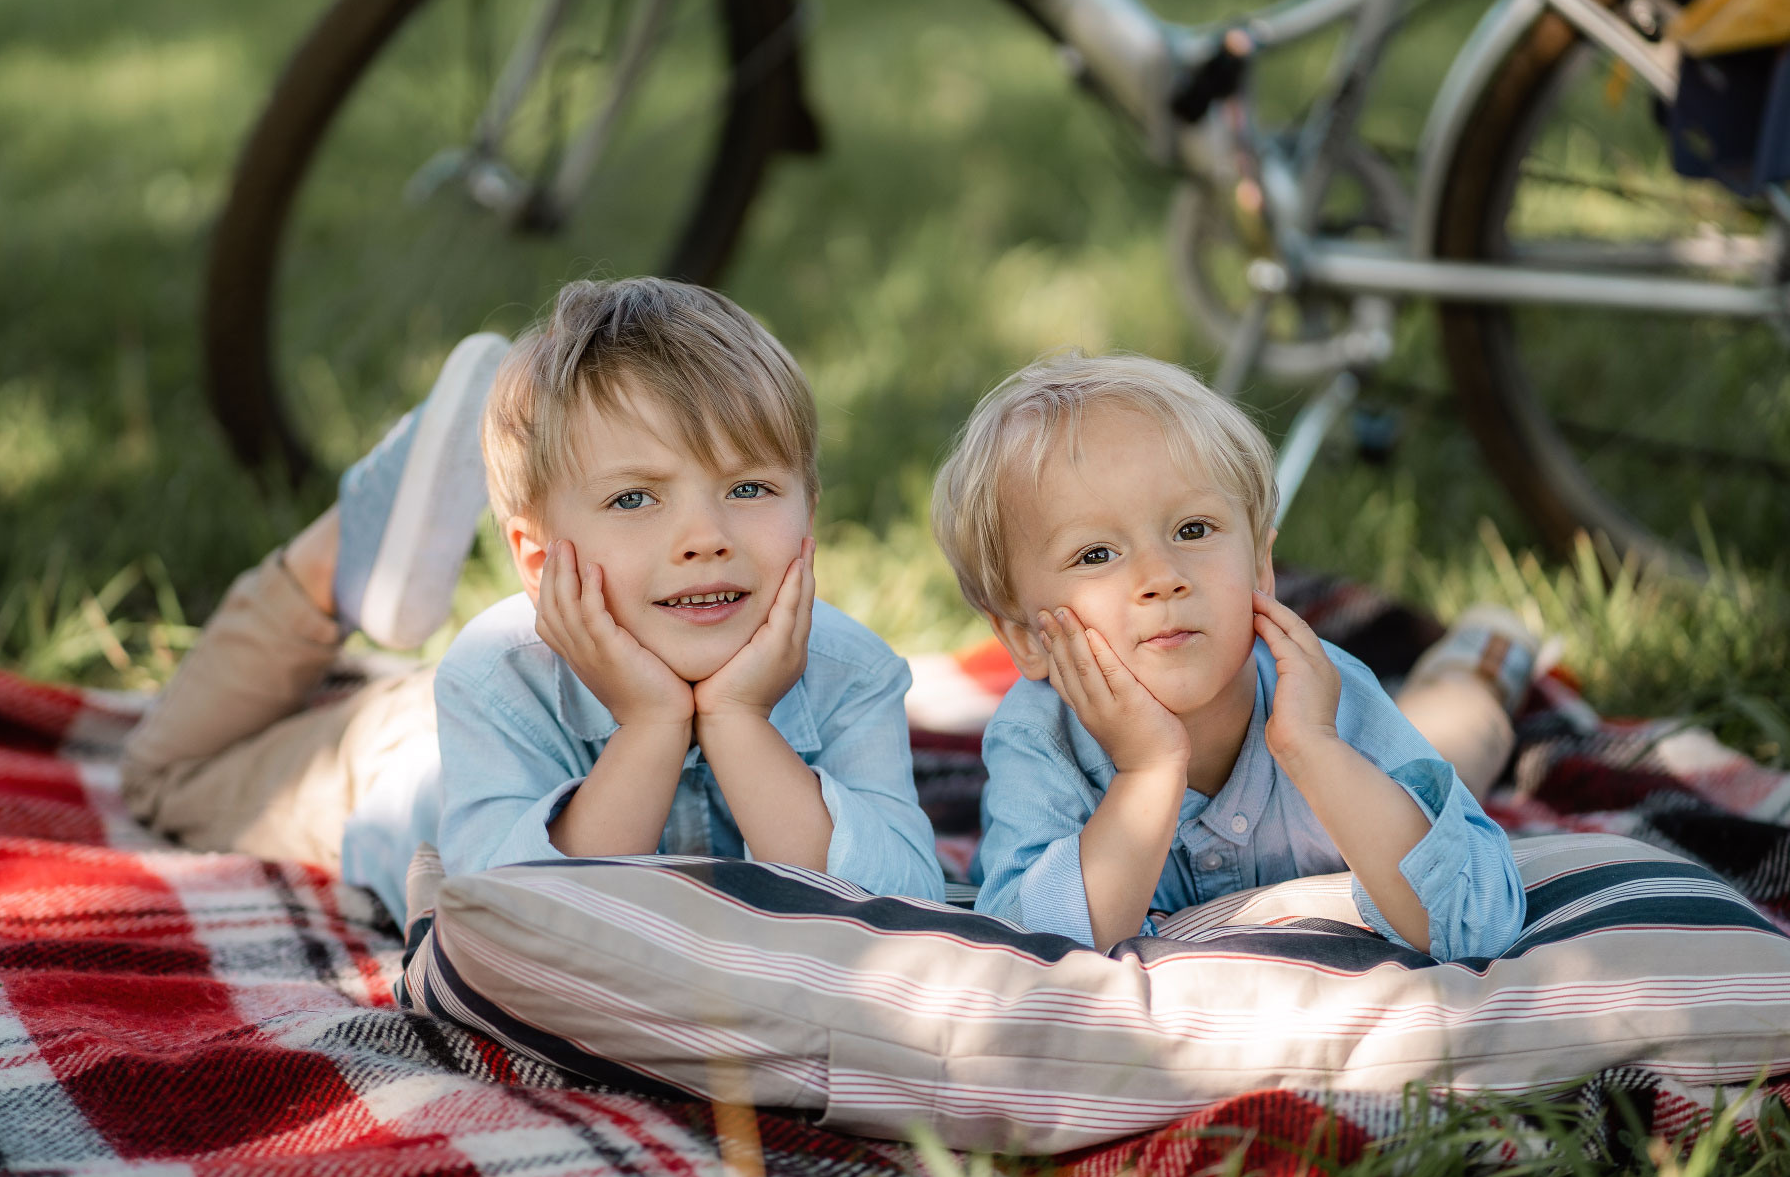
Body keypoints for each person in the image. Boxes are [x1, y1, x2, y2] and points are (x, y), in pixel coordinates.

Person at [121, 277, 944, 932]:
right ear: (540, 559)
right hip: (401, 757)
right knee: (164, 777)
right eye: (633, 498)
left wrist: (736, 717)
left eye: (750, 487)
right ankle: (338, 554)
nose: (706, 536)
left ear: (811, 511)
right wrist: (652, 724)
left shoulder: (853, 673)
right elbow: (518, 922)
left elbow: (902, 907)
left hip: (489, 697)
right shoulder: (493, 680)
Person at [933, 352, 1529, 959]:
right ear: (1026, 638)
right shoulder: (1041, 738)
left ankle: (1484, 658)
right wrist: (1149, 771)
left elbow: (1475, 921)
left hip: (1371, 738)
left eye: (1192, 530)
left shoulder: (1323, 699)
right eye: (1096, 555)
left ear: (1262, 567)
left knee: (1458, 736)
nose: (1162, 577)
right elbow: (1026, 951)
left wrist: (1316, 749)